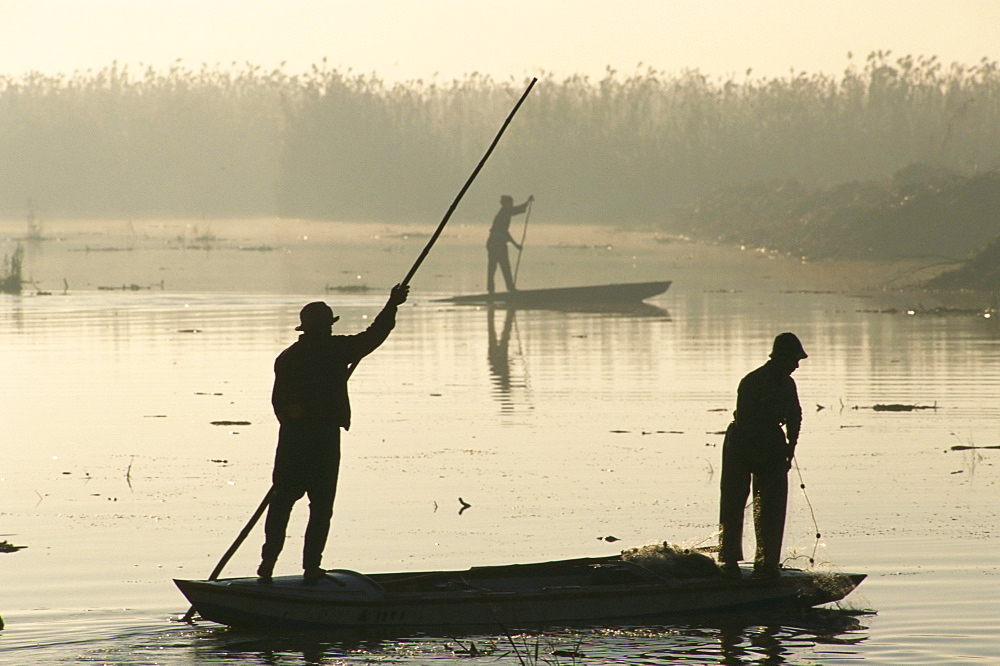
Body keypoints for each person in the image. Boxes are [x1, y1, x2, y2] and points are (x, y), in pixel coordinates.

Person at [258, 284, 409, 581]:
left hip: (292, 441)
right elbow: (374, 335)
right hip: (323, 441)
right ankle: (310, 568)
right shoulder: (335, 350)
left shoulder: (288, 358)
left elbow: (279, 405)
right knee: (320, 507)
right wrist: (392, 304)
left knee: (282, 505)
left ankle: (268, 564)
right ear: (325, 327)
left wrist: (295, 421)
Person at [718, 332, 807, 579]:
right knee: (733, 501)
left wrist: (790, 446)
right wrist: (765, 449)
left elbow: (795, 416)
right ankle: (729, 562)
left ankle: (767, 562)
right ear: (781, 358)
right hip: (741, 443)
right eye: (794, 360)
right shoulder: (751, 382)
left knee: (772, 504)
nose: (797, 366)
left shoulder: (788, 385)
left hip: (772, 445)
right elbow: (746, 422)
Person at [487, 194, 533, 293]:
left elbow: (517, 210)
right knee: (495, 266)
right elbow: (505, 234)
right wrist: (516, 245)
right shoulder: (503, 214)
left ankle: (509, 288)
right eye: (511, 203)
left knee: (503, 266)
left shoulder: (506, 212)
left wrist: (527, 202)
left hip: (498, 243)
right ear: (506, 204)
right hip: (495, 243)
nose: (512, 205)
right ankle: (493, 290)